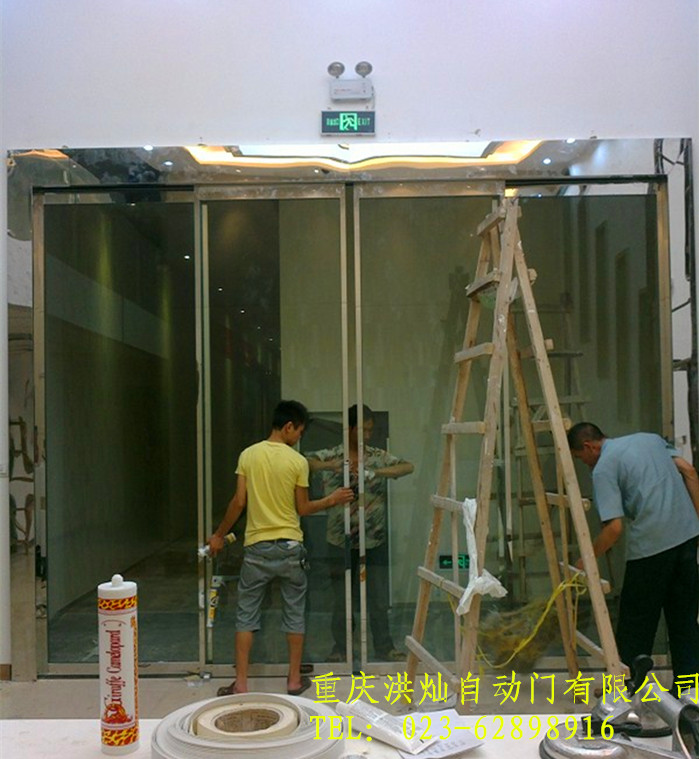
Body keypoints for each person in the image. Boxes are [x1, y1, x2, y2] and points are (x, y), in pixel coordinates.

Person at [208, 400, 353, 697]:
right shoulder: (297, 462)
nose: (299, 437)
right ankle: (293, 681)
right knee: (294, 613)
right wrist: (332, 500)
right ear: (288, 427)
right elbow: (303, 508)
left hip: (257, 548)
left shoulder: (248, 455)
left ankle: (241, 684)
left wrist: (219, 535)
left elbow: (239, 502)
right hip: (290, 548)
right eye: (299, 431)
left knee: (246, 616)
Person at [567, 422, 699, 692]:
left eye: (581, 458)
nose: (585, 464)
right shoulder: (650, 439)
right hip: (687, 537)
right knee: (684, 620)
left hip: (651, 546)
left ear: (589, 447)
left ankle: (624, 688)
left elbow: (614, 529)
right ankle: (688, 691)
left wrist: (585, 560)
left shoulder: (604, 467)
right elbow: (689, 471)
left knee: (635, 622)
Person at [307, 404, 414, 662]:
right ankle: (342, 648)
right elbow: (304, 462)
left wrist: (374, 473)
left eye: (370, 430)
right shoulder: (334, 454)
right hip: (340, 540)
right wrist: (332, 466)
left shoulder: (376, 456)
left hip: (373, 540)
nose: (367, 434)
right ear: (350, 429)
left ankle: (384, 647)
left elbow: (407, 467)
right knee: (342, 599)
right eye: (362, 430)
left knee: (377, 598)